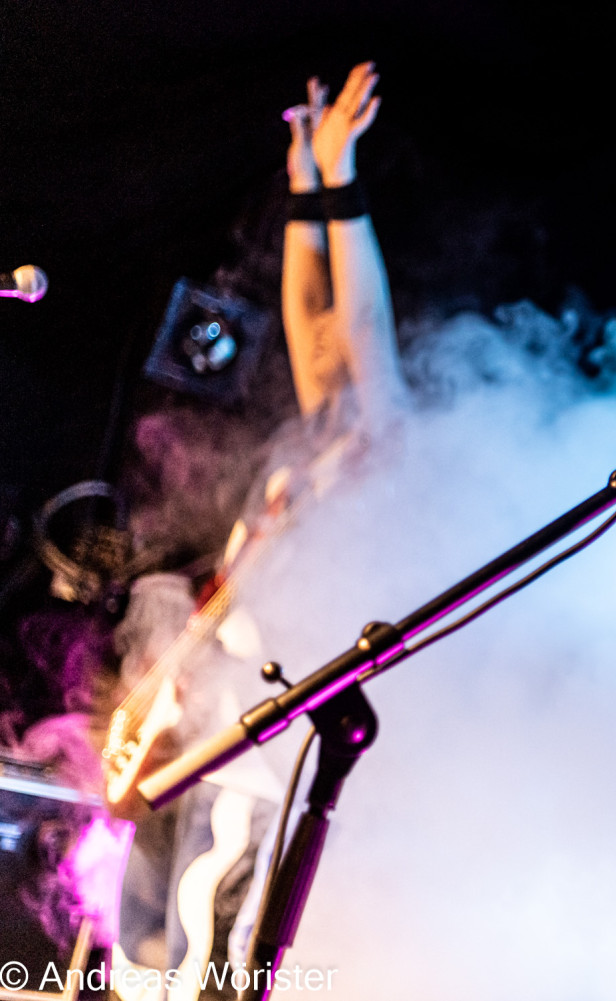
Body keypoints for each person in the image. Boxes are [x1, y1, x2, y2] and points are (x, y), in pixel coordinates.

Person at [111, 61, 405, 998]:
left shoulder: (385, 456)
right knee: (138, 960)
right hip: (198, 729)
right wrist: (308, 188)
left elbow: (355, 321)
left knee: (205, 963)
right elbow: (312, 317)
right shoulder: (314, 448)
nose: (334, 363)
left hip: (256, 762)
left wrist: (341, 179)